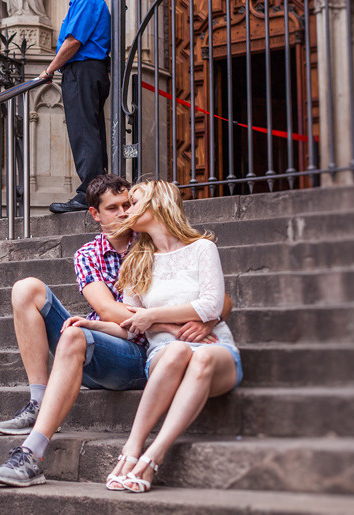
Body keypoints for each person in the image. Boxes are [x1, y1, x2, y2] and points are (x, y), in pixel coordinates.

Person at [0, 173, 233, 488]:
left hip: (151, 353)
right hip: (111, 344)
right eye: (114, 208)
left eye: (128, 204)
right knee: (28, 291)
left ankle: (33, 449)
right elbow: (110, 312)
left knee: (79, 334)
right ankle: (38, 407)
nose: (123, 213)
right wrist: (172, 324)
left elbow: (220, 300)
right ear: (95, 214)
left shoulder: (148, 243)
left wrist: (207, 320)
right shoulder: (89, 254)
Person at [104, 180, 242, 493]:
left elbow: (211, 304)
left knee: (201, 355)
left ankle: (154, 455)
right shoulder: (136, 263)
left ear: (157, 204)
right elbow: (132, 320)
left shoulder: (202, 249)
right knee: (179, 350)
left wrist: (153, 315)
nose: (127, 210)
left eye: (134, 202)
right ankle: (132, 449)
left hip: (215, 349)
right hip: (166, 354)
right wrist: (164, 325)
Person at [38, 0, 112, 214]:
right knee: (89, 130)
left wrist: (49, 70)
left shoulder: (86, 0)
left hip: (83, 70)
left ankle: (90, 194)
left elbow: (73, 42)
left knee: (84, 132)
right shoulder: (85, 1)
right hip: (89, 71)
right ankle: (100, 189)